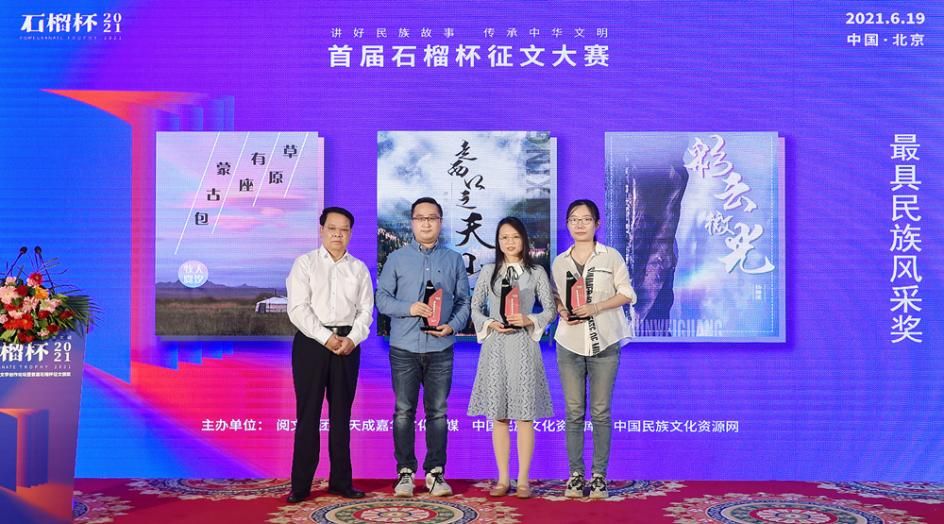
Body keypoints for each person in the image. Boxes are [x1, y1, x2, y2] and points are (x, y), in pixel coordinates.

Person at [376, 197, 471, 497]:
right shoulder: (397, 258)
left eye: (432, 218)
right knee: (404, 411)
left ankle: (435, 473)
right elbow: (382, 299)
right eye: (420, 218)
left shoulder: (453, 260)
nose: (426, 223)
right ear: (412, 223)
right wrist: (409, 308)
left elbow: (464, 301)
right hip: (403, 347)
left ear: (440, 222)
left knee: (438, 413)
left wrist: (452, 325)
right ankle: (405, 473)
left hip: (440, 348)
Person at [285, 206, 373, 503]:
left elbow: (366, 311)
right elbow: (298, 309)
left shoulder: (358, 268)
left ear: (350, 233)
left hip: (347, 346)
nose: (338, 234)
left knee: (341, 415)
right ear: (321, 230)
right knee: (308, 414)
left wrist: (352, 339)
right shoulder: (305, 264)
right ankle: (301, 485)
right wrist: (326, 338)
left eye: (344, 229)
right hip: (312, 344)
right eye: (332, 228)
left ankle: (341, 482)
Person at [551, 199, 636, 500]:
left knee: (600, 411)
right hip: (569, 342)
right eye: (574, 219)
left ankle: (599, 476)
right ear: (567, 224)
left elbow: (627, 293)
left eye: (586, 219)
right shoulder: (560, 262)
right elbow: (556, 297)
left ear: (597, 224)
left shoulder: (610, 257)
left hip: (605, 341)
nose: (580, 224)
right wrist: (561, 309)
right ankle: (575, 475)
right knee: (574, 411)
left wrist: (596, 307)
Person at [467, 217, 556, 499]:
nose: (509, 242)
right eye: (504, 237)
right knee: (500, 416)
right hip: (495, 346)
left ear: (524, 240)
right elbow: (474, 308)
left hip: (523, 346)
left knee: (525, 416)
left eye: (515, 237)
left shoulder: (536, 273)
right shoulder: (488, 271)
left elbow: (550, 310)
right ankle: (503, 478)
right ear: (498, 241)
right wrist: (489, 323)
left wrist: (529, 319)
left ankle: (524, 480)